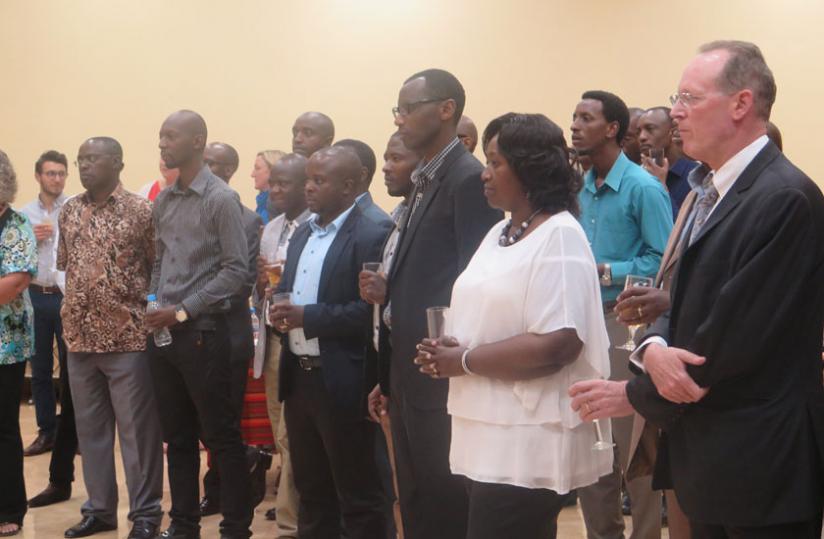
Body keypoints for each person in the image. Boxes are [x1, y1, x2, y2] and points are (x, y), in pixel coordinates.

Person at [571, 40, 824, 538]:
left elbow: (733, 332)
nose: (676, 112)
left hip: (761, 462)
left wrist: (636, 392)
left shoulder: (784, 198)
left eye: (689, 98)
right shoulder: (709, 191)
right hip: (709, 454)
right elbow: (674, 293)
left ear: (741, 104)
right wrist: (654, 344)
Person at [413, 112, 612, 538]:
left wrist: (464, 359)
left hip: (525, 439)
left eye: (495, 162)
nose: (485, 174)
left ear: (530, 168)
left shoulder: (560, 235)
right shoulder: (501, 232)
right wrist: (449, 347)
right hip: (484, 428)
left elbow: (559, 344)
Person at [383, 68, 502, 539]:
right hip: (409, 370)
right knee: (414, 496)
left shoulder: (468, 179)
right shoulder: (425, 179)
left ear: (446, 109)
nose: (400, 120)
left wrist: (452, 357)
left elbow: (474, 282)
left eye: (409, 108)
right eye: (398, 110)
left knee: (444, 499)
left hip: (442, 371)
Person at [270, 146, 388, 538]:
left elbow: (369, 312)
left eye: (319, 181)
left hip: (344, 380)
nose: (309, 188)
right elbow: (286, 290)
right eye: (308, 179)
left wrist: (308, 317)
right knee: (311, 490)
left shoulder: (372, 231)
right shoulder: (304, 231)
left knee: (357, 494)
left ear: (349, 186)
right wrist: (279, 310)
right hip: (300, 378)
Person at [570, 90, 672, 539]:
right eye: (574, 116)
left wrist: (609, 269)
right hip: (580, 325)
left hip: (624, 323)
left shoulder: (644, 188)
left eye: (585, 118)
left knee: (632, 446)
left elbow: (665, 261)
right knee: (590, 444)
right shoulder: (578, 190)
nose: (574, 125)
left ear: (612, 128)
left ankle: (647, 533)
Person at [147, 110, 252, 539]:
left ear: (197, 141)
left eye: (171, 136)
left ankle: (235, 526)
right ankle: (184, 523)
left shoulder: (221, 199)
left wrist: (183, 309)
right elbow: (159, 263)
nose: (162, 144)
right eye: (160, 136)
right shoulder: (164, 200)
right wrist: (153, 306)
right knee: (178, 437)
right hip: (164, 333)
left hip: (204, 333)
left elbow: (235, 271)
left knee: (221, 435)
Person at [58, 137, 163, 539]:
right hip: (80, 339)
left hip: (129, 338)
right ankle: (100, 510)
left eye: (93, 159)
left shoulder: (141, 210)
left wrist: (152, 308)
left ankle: (146, 513)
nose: (84, 165)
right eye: (80, 158)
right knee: (92, 432)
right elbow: (68, 267)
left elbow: (158, 269)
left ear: (117, 163)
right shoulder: (70, 210)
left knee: (137, 433)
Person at [200, 142, 271, 518]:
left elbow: (240, 282)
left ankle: (227, 494)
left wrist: (189, 300)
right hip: (187, 335)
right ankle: (240, 467)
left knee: (224, 420)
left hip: (227, 332)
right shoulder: (185, 212)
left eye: (213, 163)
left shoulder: (246, 220)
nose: (205, 168)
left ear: (228, 169)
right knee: (200, 420)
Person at [361, 132, 420, 539]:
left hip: (419, 365)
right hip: (392, 362)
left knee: (417, 486)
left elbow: (443, 289)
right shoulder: (400, 216)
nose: (387, 166)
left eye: (395, 158)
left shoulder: (419, 219)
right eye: (385, 158)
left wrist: (390, 291)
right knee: (399, 486)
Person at [254, 153, 312, 537]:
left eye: (283, 183)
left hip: (303, 341)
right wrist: (262, 284)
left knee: (295, 433)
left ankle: (292, 519)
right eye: (272, 182)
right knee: (280, 431)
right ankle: (294, 505)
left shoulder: (317, 226)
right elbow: (263, 288)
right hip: (273, 338)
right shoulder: (271, 227)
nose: (275, 190)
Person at [20, 150, 69, 458]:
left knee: (72, 369)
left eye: (62, 173)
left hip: (66, 296)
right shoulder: (23, 215)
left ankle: (71, 434)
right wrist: (30, 240)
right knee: (39, 369)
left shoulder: (75, 209)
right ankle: (46, 432)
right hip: (36, 295)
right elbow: (13, 256)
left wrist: (61, 234)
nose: (57, 179)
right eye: (51, 173)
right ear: (38, 176)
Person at [0, 149, 37, 538]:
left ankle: (9, 507)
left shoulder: (16, 225)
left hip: (4, 345)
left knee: (3, 428)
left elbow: (14, 283)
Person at [637, 107, 699, 218]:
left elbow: (684, 231)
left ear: (674, 131)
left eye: (650, 129)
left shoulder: (696, 176)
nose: (642, 137)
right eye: (639, 132)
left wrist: (660, 186)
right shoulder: (637, 175)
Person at [333, 139, 392, 226]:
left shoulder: (377, 223)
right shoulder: (317, 215)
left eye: (334, 164)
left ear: (362, 174)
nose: (325, 170)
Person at [252, 150, 286, 224]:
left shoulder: (278, 205)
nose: (252, 174)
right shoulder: (261, 201)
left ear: (273, 171)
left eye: (257, 168)